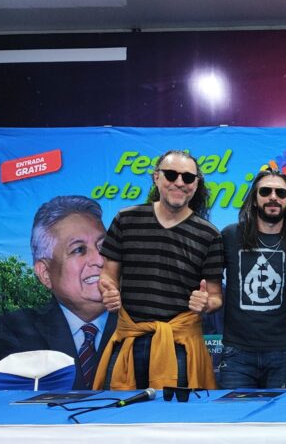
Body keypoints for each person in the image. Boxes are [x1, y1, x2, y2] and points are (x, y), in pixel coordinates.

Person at [94, 150, 224, 390]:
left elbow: (216, 296)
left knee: (174, 413)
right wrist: (108, 290)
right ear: (156, 177)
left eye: (188, 177)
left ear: (196, 184)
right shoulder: (125, 219)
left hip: (178, 347)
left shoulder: (209, 234)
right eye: (171, 175)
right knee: (119, 411)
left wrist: (206, 303)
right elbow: (107, 276)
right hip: (129, 339)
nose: (179, 182)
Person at [0, 196, 116, 390]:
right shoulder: (12, 331)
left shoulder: (143, 326)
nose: (100, 260)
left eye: (103, 246)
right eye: (79, 250)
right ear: (45, 273)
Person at [218, 169, 286, 389]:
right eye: (266, 191)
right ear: (254, 198)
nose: (273, 197)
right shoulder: (230, 235)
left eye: (281, 193)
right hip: (237, 353)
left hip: (283, 353)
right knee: (235, 411)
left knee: (279, 413)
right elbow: (212, 283)